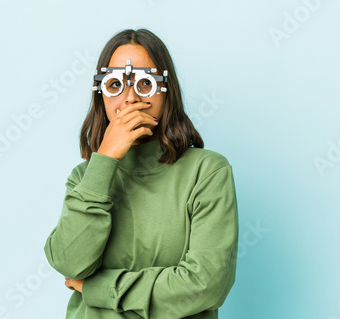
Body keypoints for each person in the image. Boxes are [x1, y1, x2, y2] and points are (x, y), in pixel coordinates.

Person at [43, 28, 239, 319]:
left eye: (145, 84)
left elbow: (206, 285)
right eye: (115, 85)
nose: (130, 98)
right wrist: (104, 160)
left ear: (166, 91)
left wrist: (96, 288)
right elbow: (70, 265)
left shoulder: (207, 172)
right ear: (101, 94)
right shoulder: (85, 177)